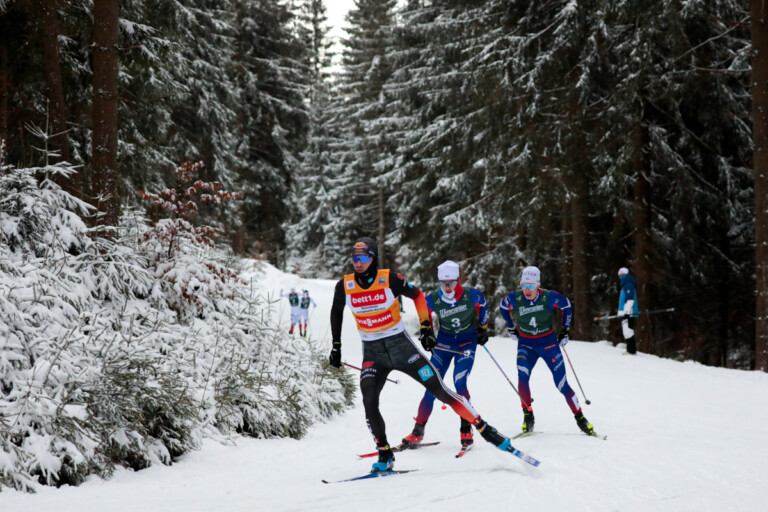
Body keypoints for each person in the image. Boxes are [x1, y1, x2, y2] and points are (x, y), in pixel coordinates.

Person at [329, 237, 517, 472]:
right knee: (369, 401)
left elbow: (418, 296)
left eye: (363, 258)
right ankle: (384, 453)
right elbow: (336, 312)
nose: (358, 263)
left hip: (402, 348)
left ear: (373, 258)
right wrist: (336, 346)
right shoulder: (344, 286)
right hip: (373, 353)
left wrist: (426, 326)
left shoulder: (390, 279)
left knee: (439, 389)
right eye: (354, 258)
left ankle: (485, 429)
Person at [400, 260, 489, 450]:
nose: (447, 287)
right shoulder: (433, 298)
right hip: (444, 344)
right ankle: (418, 432)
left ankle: (466, 428)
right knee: (431, 386)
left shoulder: (470, 294)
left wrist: (482, 328)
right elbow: (424, 314)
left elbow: (483, 305)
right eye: (443, 283)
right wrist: (427, 333)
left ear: (458, 280)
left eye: (451, 282)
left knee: (460, 382)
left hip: (467, 342)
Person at [499, 266, 595, 436]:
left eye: (530, 286)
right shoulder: (515, 298)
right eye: (524, 285)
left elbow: (566, 305)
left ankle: (580, 418)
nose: (527, 290)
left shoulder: (548, 297)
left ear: (538, 286)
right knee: (522, 377)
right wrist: (511, 327)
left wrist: (565, 330)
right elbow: (503, 306)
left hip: (548, 345)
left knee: (561, 384)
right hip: (526, 345)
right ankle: (528, 416)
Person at [617, 267, 638, 354]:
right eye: (620, 274)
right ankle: (630, 349)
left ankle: (631, 350)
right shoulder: (624, 284)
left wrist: (626, 312)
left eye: (623, 274)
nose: (622, 276)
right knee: (626, 331)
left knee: (628, 331)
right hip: (625, 312)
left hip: (629, 312)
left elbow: (630, 300)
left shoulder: (628, 284)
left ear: (627, 274)